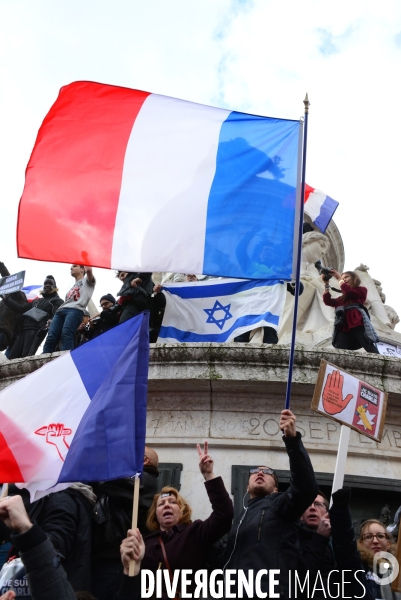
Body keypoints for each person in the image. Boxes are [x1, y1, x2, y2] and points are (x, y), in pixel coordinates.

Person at [223, 409, 318, 599]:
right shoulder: (239, 518)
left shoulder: (279, 504)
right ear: (247, 488)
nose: (260, 473)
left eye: (267, 473)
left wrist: (292, 441)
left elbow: (306, 488)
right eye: (255, 471)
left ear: (276, 488)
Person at [131, 441, 233, 599]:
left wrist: (208, 475)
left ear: (182, 510)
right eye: (161, 504)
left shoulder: (194, 533)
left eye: (173, 503)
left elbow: (224, 515)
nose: (167, 506)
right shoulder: (145, 541)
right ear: (155, 513)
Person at [90, 446, 159, 600]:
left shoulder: (145, 480)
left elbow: (107, 480)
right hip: (104, 561)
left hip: (116, 562)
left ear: (145, 460)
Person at [0, 483, 94, 593]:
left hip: (56, 588)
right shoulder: (45, 495)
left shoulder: (61, 498)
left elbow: (55, 546)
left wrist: (25, 529)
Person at [329, 488, 395, 599]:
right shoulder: (357, 568)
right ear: (361, 543)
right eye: (368, 537)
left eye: (380, 536)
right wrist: (341, 513)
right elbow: (345, 545)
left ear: (388, 543)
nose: (375, 541)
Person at [1, 275, 63, 358]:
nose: (47, 285)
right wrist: (6, 299)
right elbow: (19, 308)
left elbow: (56, 316)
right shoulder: (37, 301)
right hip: (23, 330)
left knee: (26, 356)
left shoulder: (57, 301)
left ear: (55, 287)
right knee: (11, 357)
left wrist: (49, 322)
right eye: (45, 283)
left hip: (36, 330)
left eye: (50, 283)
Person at [322, 269, 380, 353]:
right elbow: (327, 301)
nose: (344, 279)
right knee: (339, 347)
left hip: (356, 320)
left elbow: (349, 292)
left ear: (354, 278)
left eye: (346, 277)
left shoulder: (362, 290)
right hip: (343, 323)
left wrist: (338, 278)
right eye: (343, 278)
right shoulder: (342, 298)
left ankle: (381, 364)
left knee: (367, 343)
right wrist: (326, 284)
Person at [43, 265, 95, 353]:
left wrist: (88, 267)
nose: (71, 268)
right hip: (60, 311)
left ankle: (65, 359)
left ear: (82, 269)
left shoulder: (87, 282)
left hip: (75, 309)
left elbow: (89, 271)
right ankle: (44, 361)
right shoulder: (73, 286)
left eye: (74, 266)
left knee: (66, 333)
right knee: (51, 336)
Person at [298, 491, 335, 599]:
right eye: (307, 505)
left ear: (327, 513)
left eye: (318, 504)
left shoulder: (334, 545)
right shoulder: (293, 539)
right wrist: (320, 537)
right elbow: (302, 581)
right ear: (300, 516)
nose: (312, 508)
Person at [0, 261, 26, 354]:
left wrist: (1, 267)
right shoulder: (3, 301)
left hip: (3, 331)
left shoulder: (18, 296)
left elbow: (9, 280)